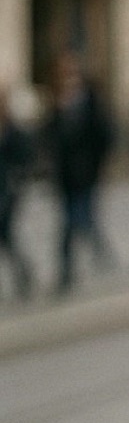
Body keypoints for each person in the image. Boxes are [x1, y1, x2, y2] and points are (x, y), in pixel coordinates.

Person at [44, 53, 114, 293]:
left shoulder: (90, 101)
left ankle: (68, 270)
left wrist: (96, 165)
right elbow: (52, 139)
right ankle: (95, 252)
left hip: (85, 174)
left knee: (74, 221)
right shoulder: (57, 103)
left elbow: (103, 134)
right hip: (66, 177)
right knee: (77, 220)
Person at [0, 85, 36, 300]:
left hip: (7, 193)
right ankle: (24, 271)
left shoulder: (14, 132)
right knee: (7, 238)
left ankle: (24, 272)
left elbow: (25, 158)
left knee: (7, 235)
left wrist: (18, 178)